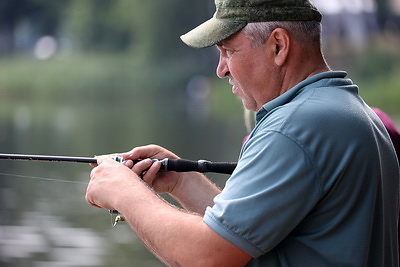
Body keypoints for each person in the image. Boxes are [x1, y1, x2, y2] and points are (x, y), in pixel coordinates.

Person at [85, 0, 400, 266]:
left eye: (228, 51)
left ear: (278, 45)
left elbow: (208, 255)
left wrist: (125, 193)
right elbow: (246, 235)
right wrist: (182, 180)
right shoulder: (344, 109)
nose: (220, 69)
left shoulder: (295, 127)